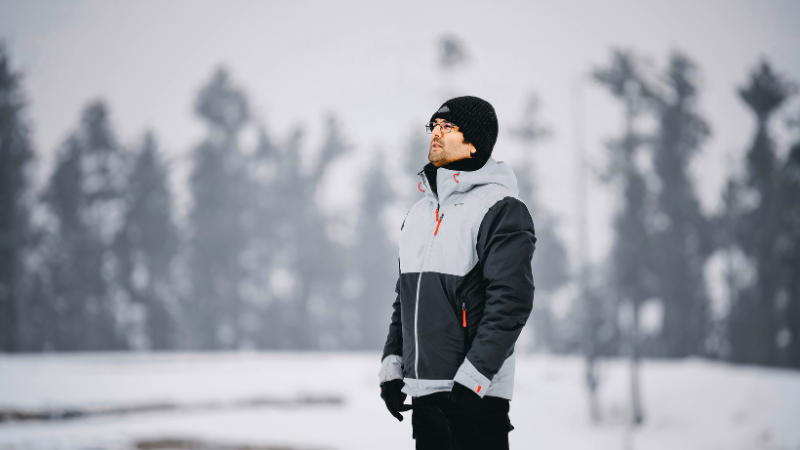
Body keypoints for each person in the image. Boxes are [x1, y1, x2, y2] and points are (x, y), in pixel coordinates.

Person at [379, 96, 537, 449]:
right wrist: (393, 365)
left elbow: (511, 303)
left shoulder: (500, 209)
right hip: (425, 399)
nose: (436, 134)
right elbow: (404, 298)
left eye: (448, 127)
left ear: (473, 144)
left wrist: (474, 379)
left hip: (474, 403)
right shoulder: (419, 214)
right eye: (434, 126)